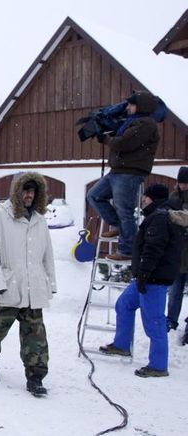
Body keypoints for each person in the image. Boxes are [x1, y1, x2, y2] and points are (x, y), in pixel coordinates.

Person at [0, 172, 57, 397]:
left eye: (33, 191)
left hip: (33, 288)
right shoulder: (0, 215)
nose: (29, 195)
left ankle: (36, 376)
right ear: (16, 191)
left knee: (36, 336)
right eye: (25, 190)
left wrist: (50, 282)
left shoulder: (40, 219)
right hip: (6, 285)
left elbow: (47, 254)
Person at [100, 184, 182, 377]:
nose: (143, 199)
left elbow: (153, 249)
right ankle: (121, 345)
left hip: (153, 278)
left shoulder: (159, 218)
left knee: (154, 322)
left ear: (153, 198)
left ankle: (158, 365)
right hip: (146, 277)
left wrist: (144, 274)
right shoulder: (156, 216)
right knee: (124, 304)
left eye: (146, 197)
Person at [87, 90, 160, 261]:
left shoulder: (146, 124)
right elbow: (122, 139)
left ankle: (127, 250)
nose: (127, 107)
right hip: (118, 170)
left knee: (124, 210)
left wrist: (105, 139)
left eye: (131, 104)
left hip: (130, 172)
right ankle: (119, 226)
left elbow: (125, 143)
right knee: (94, 195)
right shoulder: (131, 122)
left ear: (140, 106)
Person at [166, 167, 188, 335]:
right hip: (178, 252)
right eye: (181, 183)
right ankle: (171, 320)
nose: (183, 186)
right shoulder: (174, 197)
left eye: (186, 183)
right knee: (174, 290)